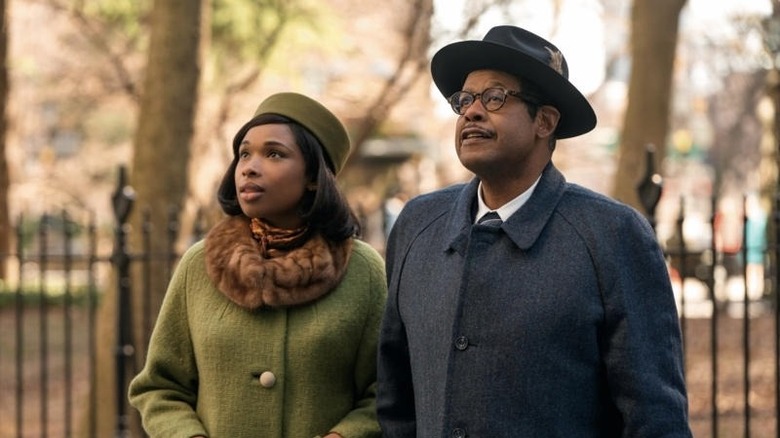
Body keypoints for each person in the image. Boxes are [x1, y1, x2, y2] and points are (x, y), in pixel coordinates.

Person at [377, 25, 692, 437]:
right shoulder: (418, 225)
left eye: (494, 98)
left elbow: (654, 417)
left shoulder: (612, 235)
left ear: (544, 121)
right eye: (464, 100)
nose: (471, 111)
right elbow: (395, 401)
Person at [129, 92, 387, 438]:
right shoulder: (199, 264)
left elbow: (385, 392)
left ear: (314, 176)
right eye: (244, 153)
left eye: (274, 154)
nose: (249, 166)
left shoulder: (363, 270)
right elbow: (159, 388)